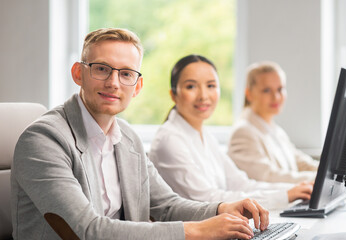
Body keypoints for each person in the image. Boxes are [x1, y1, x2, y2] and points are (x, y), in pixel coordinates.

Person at [11, 28, 269, 240]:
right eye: (101, 69)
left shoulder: (128, 138)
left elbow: (165, 206)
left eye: (126, 74)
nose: (113, 82)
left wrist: (221, 209)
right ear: (79, 74)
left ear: (137, 86)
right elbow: (87, 230)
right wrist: (198, 230)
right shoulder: (43, 140)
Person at [149, 54, 313, 211]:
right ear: (173, 94)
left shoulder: (205, 135)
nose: (203, 95)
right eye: (191, 86)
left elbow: (242, 184)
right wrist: (284, 196)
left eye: (211, 86)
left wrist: (293, 190)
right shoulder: (169, 140)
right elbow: (208, 199)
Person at [227, 62, 319, 184]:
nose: (276, 97)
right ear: (249, 94)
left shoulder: (276, 130)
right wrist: (318, 179)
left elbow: (300, 162)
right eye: (266, 90)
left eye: (280, 89)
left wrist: (333, 173)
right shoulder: (243, 132)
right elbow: (268, 176)